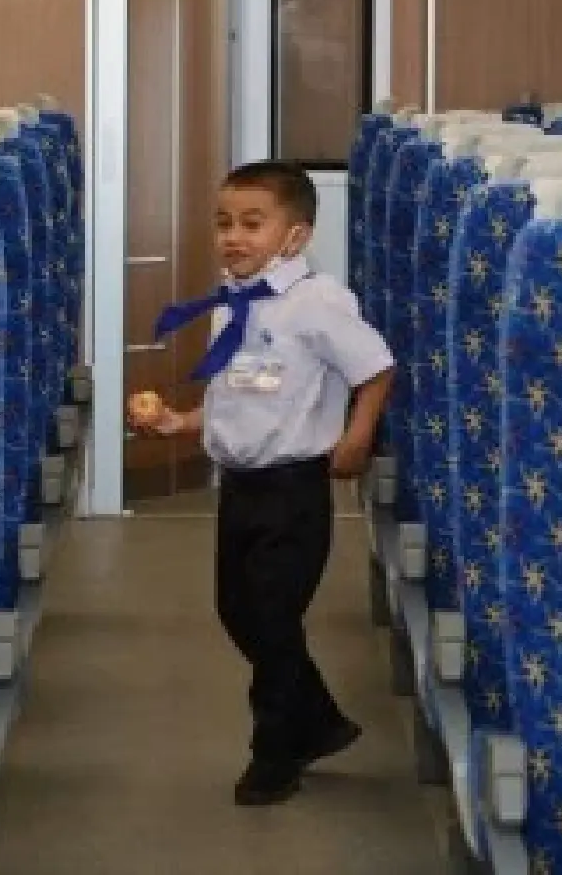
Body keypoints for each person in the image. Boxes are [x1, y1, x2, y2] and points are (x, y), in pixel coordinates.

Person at [128, 160, 393, 807]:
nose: (233, 236)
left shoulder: (317, 303)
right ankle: (320, 718)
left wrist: (357, 436)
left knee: (273, 616)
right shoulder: (233, 303)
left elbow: (376, 366)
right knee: (237, 610)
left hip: (293, 488)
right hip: (240, 486)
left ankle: (275, 752)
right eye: (224, 222)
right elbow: (239, 401)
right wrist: (178, 422)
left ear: (295, 237)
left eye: (252, 223)